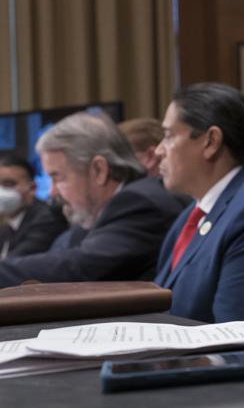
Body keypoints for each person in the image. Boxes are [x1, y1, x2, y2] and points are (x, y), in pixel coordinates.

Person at [153, 83, 244, 323]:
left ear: (211, 141)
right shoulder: (191, 214)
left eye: (168, 136)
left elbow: (239, 333)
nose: (158, 150)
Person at [0, 112, 185, 286]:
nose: (52, 192)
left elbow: (78, 267)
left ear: (99, 170)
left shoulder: (141, 203)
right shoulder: (96, 213)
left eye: (58, 177)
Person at [0, 154, 66, 259]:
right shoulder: (7, 220)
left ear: (32, 188)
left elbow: (13, 264)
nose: (2, 191)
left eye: (8, 184)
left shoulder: (47, 220)